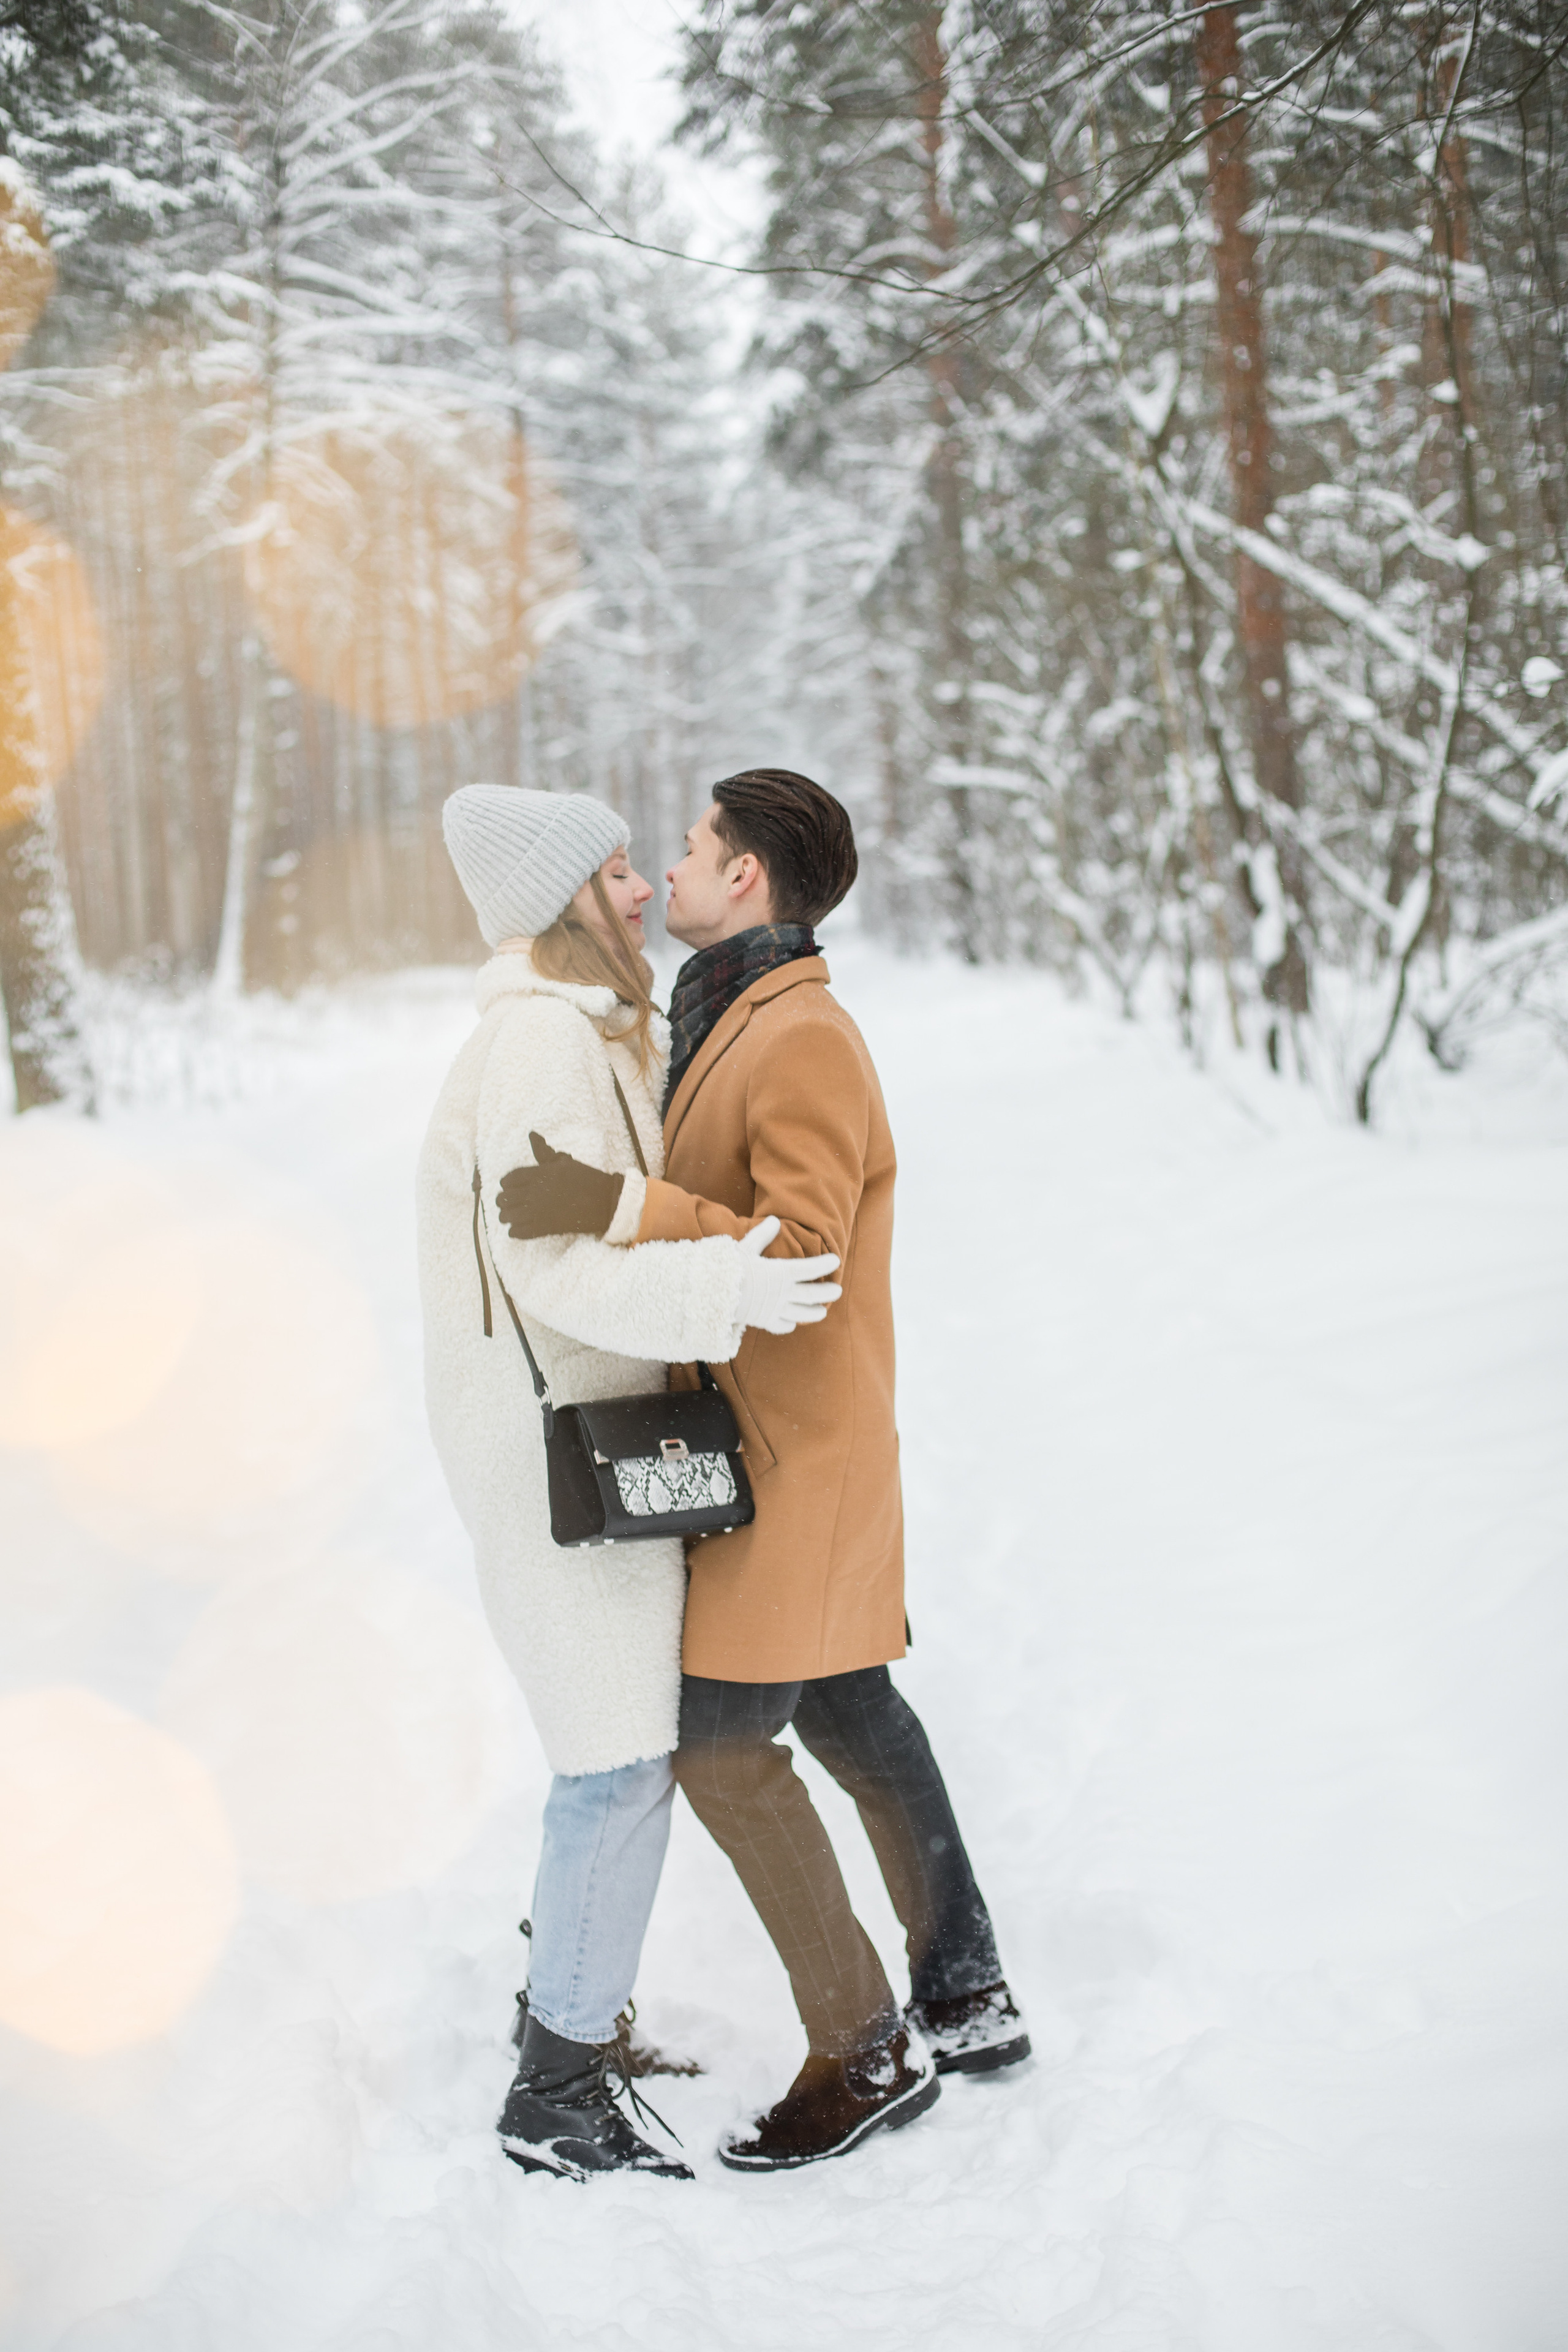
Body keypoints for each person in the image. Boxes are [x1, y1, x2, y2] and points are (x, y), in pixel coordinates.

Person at [497, 768, 1028, 2174]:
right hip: (786, 1442)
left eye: (686, 849)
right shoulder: (735, 1011)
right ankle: (965, 1990)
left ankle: (860, 2051)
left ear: (745, 880)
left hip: (790, 1454)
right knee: (854, 1709)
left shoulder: (802, 1037)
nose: (665, 871)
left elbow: (798, 1250)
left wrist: (622, 1206)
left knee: (723, 1750)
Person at [415, 783, 840, 2182]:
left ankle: (569, 2019)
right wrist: (728, 1289)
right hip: (563, 1465)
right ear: (558, 905)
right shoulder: (540, 1045)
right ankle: (556, 2089)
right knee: (614, 1766)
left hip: (582, 1452)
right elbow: (551, 1269)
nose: (643, 887)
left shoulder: (577, 1032)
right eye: (613, 871)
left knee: (610, 1756)